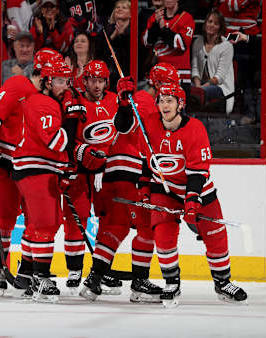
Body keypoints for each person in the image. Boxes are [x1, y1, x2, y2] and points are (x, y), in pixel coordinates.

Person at [84, 82, 248, 304]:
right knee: (162, 236)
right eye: (161, 100)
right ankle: (172, 282)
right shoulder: (149, 124)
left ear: (180, 104)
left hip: (197, 190)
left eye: (170, 100)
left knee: (215, 233)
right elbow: (136, 148)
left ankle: (222, 282)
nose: (164, 105)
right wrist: (144, 188)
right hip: (164, 190)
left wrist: (192, 201)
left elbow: (198, 173)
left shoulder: (195, 128)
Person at [80, 62, 180, 303]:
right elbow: (125, 125)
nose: (173, 90)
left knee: (115, 227)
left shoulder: (146, 100)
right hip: (130, 173)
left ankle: (94, 280)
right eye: (169, 85)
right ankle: (139, 281)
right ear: (158, 84)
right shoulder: (146, 100)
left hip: (116, 172)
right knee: (147, 226)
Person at [0, 48, 63, 297]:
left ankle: (26, 272)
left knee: (36, 222)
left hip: (31, 167)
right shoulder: (18, 84)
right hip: (6, 162)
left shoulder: (49, 98)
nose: (61, 82)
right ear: (45, 74)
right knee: (4, 220)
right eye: (56, 76)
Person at [10, 60, 85, 302]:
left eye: (66, 81)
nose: (65, 86)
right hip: (36, 169)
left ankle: (30, 275)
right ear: (48, 81)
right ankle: (42, 279)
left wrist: (63, 168)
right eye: (61, 81)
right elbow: (56, 142)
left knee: (38, 226)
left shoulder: (40, 101)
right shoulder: (44, 103)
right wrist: (71, 120)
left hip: (35, 168)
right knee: (46, 224)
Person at [61, 60, 117, 293]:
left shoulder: (115, 100)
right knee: (76, 220)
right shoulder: (75, 101)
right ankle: (74, 270)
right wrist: (80, 152)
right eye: (92, 79)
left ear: (107, 82)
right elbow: (67, 134)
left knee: (109, 222)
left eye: (101, 80)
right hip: (80, 170)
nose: (96, 84)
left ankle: (100, 270)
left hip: (107, 172)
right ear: (83, 80)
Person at [142, 0, 195, 95]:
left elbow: (182, 44)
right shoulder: (155, 17)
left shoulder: (186, 18)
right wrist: (155, 25)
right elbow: (146, 43)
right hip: (158, 73)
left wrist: (163, 29)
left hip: (179, 74)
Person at [190, 9, 235, 114]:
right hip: (200, 84)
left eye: (216, 23)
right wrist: (197, 86)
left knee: (200, 93)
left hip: (220, 87)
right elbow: (195, 68)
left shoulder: (226, 46)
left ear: (220, 27)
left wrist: (200, 89)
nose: (211, 25)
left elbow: (219, 77)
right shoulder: (198, 42)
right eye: (209, 22)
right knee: (185, 89)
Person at [0, 31, 35, 95]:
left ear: (33, 47)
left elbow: (41, 94)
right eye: (21, 46)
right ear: (15, 47)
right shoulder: (5, 65)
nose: (25, 50)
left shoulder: (40, 67)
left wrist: (23, 78)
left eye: (28, 46)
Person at [104, 0, 131, 92]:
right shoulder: (107, 30)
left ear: (131, 14)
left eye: (124, 7)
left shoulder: (135, 30)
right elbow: (102, 51)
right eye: (117, 7)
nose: (119, 9)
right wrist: (113, 36)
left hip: (129, 75)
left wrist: (124, 34)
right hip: (112, 76)